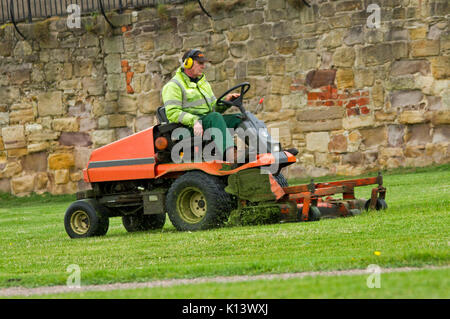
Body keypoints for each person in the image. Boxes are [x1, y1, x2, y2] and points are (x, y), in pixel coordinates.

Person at [161, 49, 242, 163]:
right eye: (200, 63)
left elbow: (213, 108)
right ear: (187, 63)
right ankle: (230, 154)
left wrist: (225, 101)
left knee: (240, 118)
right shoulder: (173, 86)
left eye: (204, 63)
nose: (203, 66)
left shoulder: (203, 84)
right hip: (186, 128)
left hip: (206, 123)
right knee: (215, 117)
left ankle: (261, 149)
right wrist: (194, 121)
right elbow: (172, 113)